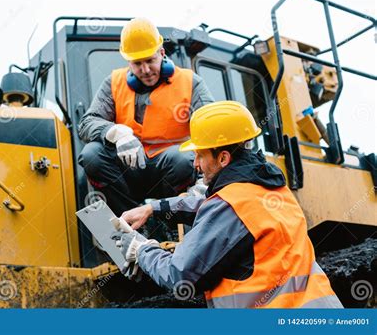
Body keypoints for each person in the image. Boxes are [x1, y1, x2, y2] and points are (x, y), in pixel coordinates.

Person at [113, 101, 343, 308]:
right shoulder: (268, 188)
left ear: (223, 158)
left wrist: (142, 250)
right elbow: (209, 205)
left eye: (200, 156)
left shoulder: (231, 204)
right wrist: (153, 208)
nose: (195, 164)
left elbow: (179, 276)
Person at [78, 17, 214, 216]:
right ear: (128, 62)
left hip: (173, 171)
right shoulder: (113, 83)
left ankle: (169, 219)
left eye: (150, 61)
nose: (145, 70)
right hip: (127, 171)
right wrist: (115, 132)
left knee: (183, 158)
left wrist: (206, 178)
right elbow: (87, 123)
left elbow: (212, 126)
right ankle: (132, 222)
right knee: (91, 155)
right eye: (137, 63)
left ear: (162, 53)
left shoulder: (190, 82)